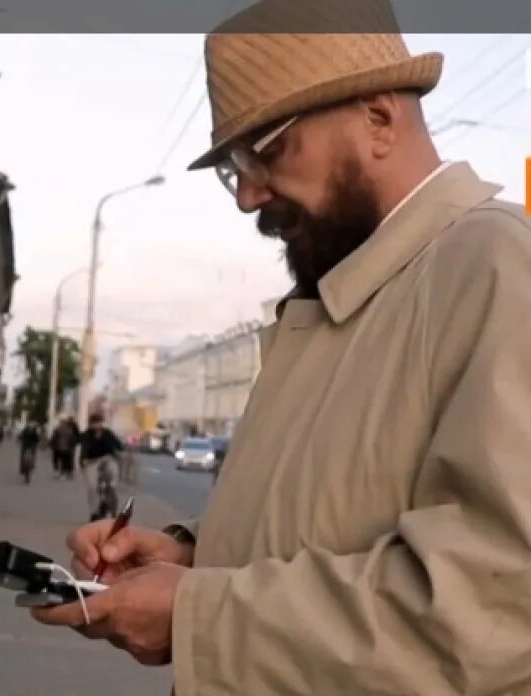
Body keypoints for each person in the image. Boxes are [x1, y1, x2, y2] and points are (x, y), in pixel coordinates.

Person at [32, 1, 531, 694]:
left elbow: (497, 607)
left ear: (380, 120)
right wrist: (191, 558)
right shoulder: (343, 298)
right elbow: (340, 520)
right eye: (232, 166)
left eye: (266, 153)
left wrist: (197, 616)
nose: (246, 196)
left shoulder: (498, 266)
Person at [78, 413, 125, 519]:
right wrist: (84, 459)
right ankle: (94, 512)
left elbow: (118, 444)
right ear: (90, 424)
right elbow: (84, 447)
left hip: (107, 458)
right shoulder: (86, 435)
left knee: (112, 477)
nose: (96, 426)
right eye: (94, 423)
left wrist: (120, 452)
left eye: (98, 423)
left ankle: (110, 501)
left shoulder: (107, 433)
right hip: (91, 461)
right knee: (92, 487)